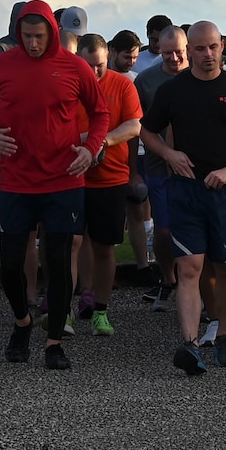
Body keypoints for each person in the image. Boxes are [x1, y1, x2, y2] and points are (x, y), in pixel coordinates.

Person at [0, 1, 110, 370]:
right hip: (17, 179)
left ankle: (54, 341)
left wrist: (91, 148)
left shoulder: (74, 66)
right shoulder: (3, 64)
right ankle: (22, 322)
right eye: (27, 36)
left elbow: (100, 112)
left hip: (63, 179)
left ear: (52, 31)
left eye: (39, 36)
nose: (33, 43)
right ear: (17, 33)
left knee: (58, 260)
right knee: (10, 262)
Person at [140, 20, 226, 374]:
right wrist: (169, 154)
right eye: (200, 49)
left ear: (222, 46)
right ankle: (190, 343)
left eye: (213, 47)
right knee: (189, 267)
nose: (208, 54)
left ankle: (224, 336)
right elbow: (147, 131)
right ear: (190, 51)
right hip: (186, 190)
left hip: (225, 191)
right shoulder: (173, 90)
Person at [75, 34, 144, 336]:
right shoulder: (68, 86)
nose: (93, 72)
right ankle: (68, 306)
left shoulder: (122, 84)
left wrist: (100, 142)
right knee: (70, 243)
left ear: (108, 59)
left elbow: (135, 125)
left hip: (110, 178)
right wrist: (81, 142)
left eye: (99, 66)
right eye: (87, 65)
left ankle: (101, 310)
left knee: (105, 246)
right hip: (72, 178)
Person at [134, 23, 189, 308]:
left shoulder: (201, 74)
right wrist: (134, 171)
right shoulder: (146, 81)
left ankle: (198, 288)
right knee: (164, 230)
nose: (174, 59)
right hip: (158, 164)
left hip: (196, 165)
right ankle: (168, 280)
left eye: (179, 52)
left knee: (196, 228)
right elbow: (137, 127)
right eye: (168, 53)